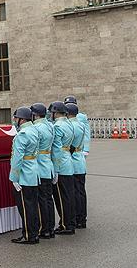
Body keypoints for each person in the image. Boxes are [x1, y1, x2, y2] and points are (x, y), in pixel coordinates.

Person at [9, 106, 40, 244]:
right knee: (33, 205)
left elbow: (17, 158)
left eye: (16, 118)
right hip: (33, 171)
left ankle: (29, 235)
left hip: (24, 175)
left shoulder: (22, 134)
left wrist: (14, 177)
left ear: (21, 119)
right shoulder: (34, 130)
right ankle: (34, 232)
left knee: (25, 207)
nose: (15, 120)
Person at [49, 101, 76, 235]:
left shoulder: (57, 126)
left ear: (55, 113)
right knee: (69, 196)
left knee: (61, 197)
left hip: (61, 164)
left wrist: (56, 169)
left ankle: (66, 224)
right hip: (69, 162)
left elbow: (57, 149)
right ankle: (70, 222)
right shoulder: (69, 124)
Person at [30, 103, 56, 239]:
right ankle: (50, 227)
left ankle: (43, 228)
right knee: (48, 199)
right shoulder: (50, 126)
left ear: (35, 115)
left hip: (39, 165)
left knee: (41, 200)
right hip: (48, 165)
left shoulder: (36, 128)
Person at [65, 99, 88, 229]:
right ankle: (82, 218)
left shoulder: (71, 126)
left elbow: (70, 146)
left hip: (73, 160)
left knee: (74, 192)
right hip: (80, 160)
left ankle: (77, 218)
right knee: (81, 191)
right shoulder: (80, 124)